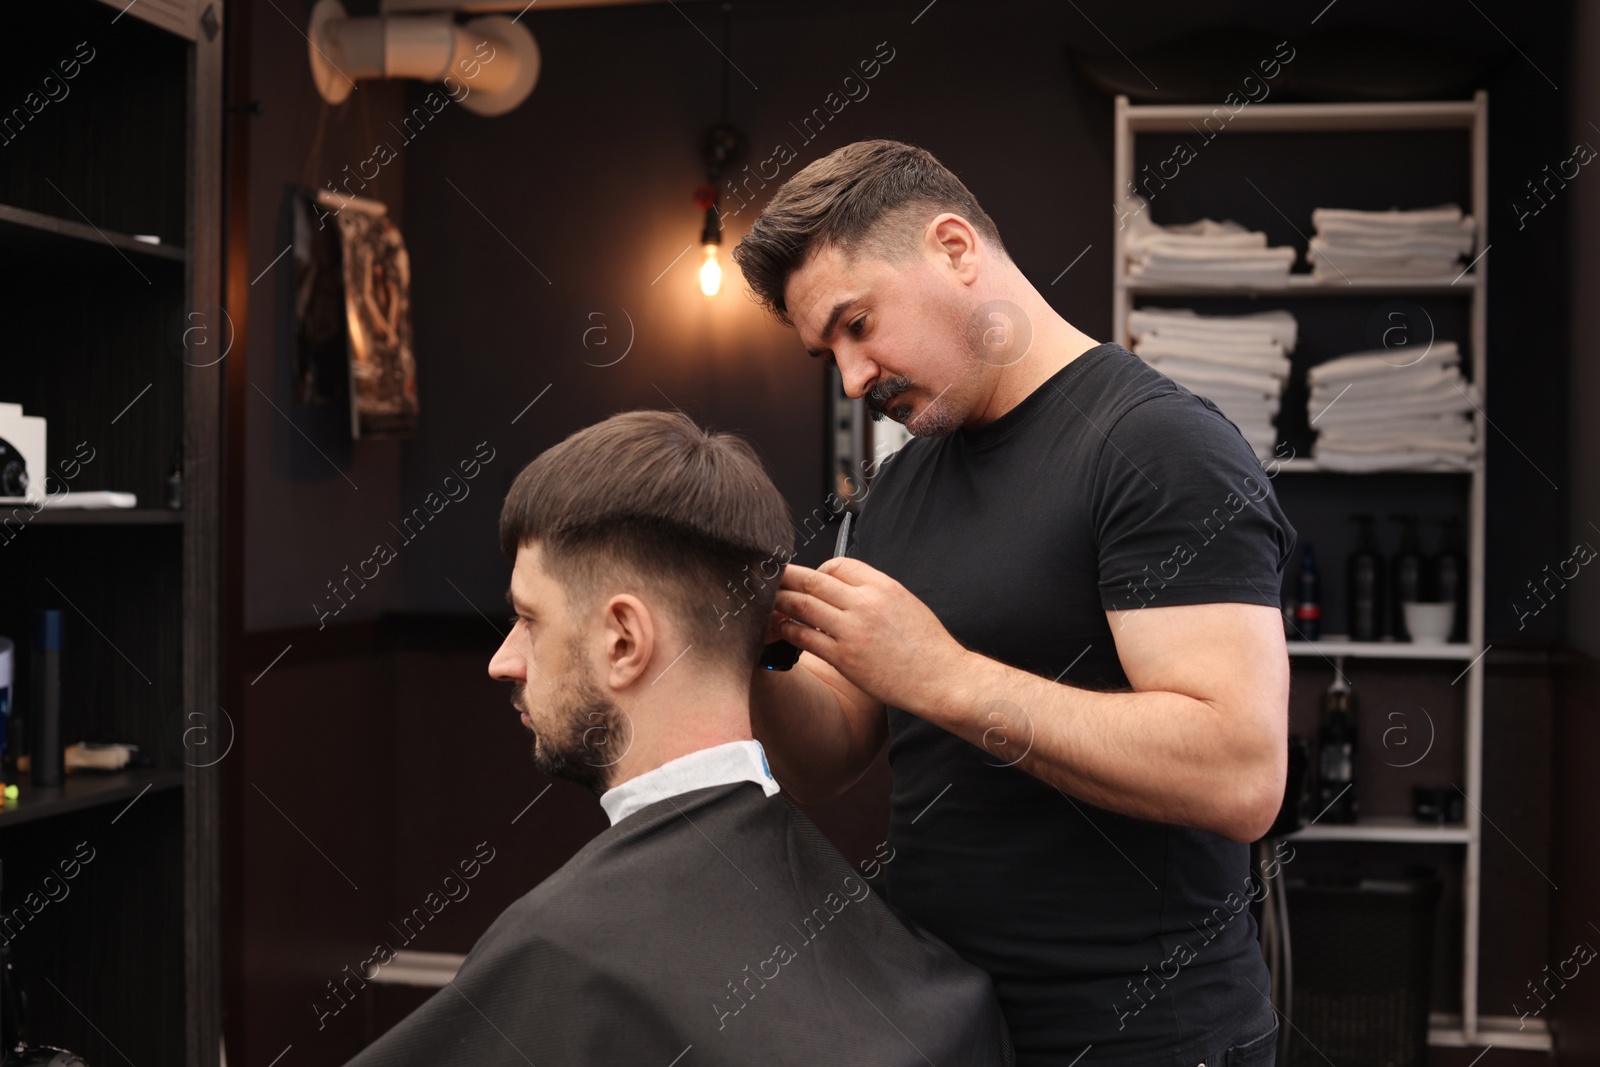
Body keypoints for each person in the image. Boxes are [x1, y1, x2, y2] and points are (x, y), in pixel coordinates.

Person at [732, 140, 1296, 1067]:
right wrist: (737, 635)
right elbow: (834, 747)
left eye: (858, 322)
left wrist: (944, 675)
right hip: (946, 1022)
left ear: (955, 248)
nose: (853, 378)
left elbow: (1240, 775)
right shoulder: (901, 486)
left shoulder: (1156, 448)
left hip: (1142, 1039)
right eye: (826, 351)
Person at [342, 409, 1014, 1066]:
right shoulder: (931, 982)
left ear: (624, 640)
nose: (503, 659)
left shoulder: (559, 952)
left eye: (528, 617)